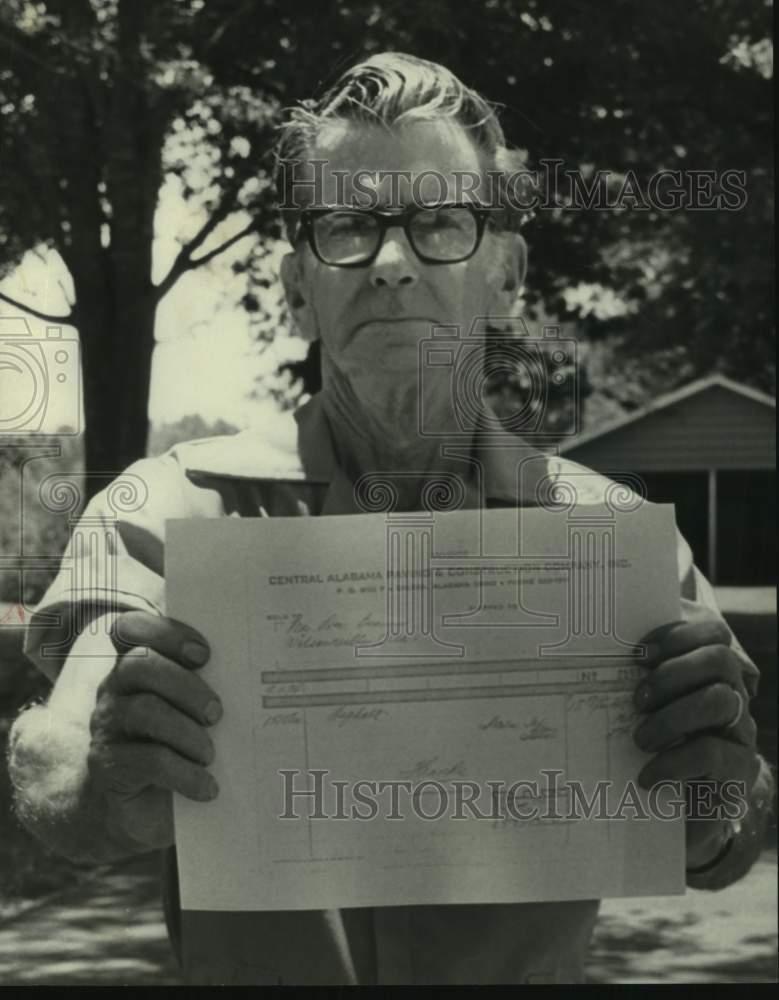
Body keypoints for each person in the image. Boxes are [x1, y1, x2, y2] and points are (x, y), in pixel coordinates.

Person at [8, 53, 773, 985]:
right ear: (297, 290)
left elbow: (726, 833)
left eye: (441, 222)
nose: (392, 264)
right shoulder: (165, 509)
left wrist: (718, 805)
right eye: (347, 226)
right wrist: (103, 785)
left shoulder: (618, 541)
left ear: (506, 275)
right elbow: (58, 753)